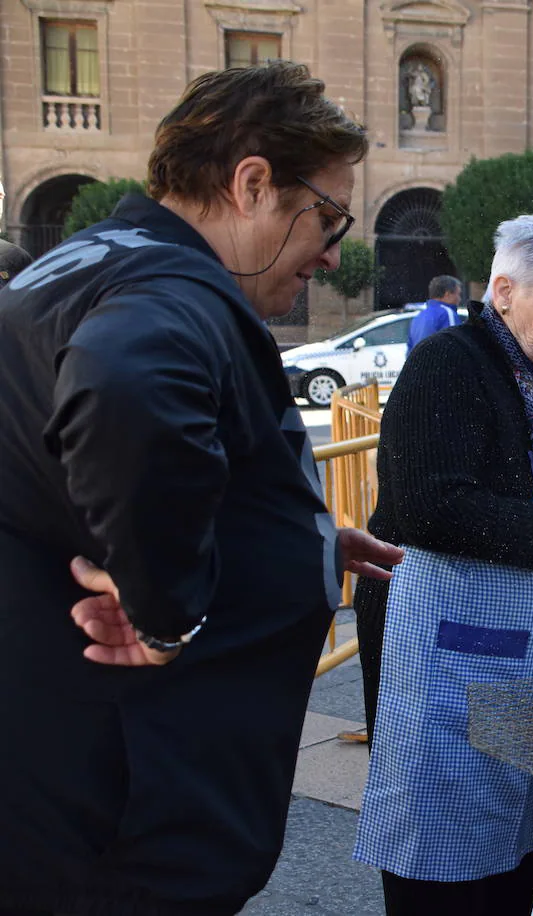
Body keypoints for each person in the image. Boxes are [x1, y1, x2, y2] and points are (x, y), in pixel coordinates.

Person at [0, 63, 403, 915]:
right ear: (252, 183)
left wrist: (306, 537)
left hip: (78, 782)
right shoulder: (173, 285)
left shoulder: (87, 263)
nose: (332, 253)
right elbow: (124, 390)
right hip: (127, 812)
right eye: (327, 217)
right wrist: (165, 607)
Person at [353, 213, 533, 916]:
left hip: (519, 660)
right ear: (504, 291)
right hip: (443, 652)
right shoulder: (451, 364)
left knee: (508, 847)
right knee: (441, 868)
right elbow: (426, 507)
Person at [406, 273, 464, 353]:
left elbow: (410, 350)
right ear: (447, 294)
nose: (459, 299)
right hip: (439, 364)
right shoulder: (447, 313)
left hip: (419, 364)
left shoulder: (418, 317)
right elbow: (455, 347)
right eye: (458, 294)